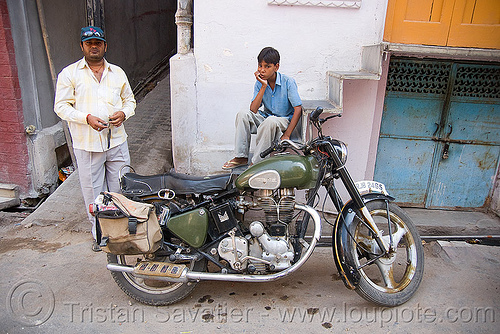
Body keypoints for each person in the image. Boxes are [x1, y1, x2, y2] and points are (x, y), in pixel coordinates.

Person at [54, 26, 136, 251]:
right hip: (87, 144)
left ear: (104, 46)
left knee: (121, 187)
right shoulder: (70, 74)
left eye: (97, 43)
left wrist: (124, 113)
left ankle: (121, 233)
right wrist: (86, 118)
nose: (93, 46)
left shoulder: (117, 72)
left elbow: (130, 100)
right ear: (82, 46)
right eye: (89, 43)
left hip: (117, 140)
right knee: (94, 193)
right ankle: (100, 235)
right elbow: (61, 107)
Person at [222, 47, 302, 169]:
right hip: (267, 119)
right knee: (242, 114)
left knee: (271, 121)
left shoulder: (288, 82)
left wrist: (287, 134)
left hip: (283, 121)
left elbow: (298, 109)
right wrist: (263, 86)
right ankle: (241, 157)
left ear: (276, 67)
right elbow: (253, 110)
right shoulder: (260, 82)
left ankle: (258, 162)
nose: (262, 70)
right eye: (260, 66)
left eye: (267, 66)